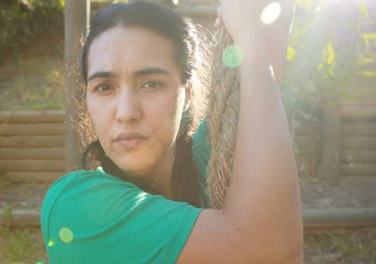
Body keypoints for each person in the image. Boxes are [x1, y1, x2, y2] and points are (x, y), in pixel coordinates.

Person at [41, 1, 303, 263]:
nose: (126, 112)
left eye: (151, 83)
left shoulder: (211, 157)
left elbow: (271, 28)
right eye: (104, 87)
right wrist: (248, 37)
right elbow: (270, 251)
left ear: (187, 92)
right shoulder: (78, 208)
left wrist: (247, 22)